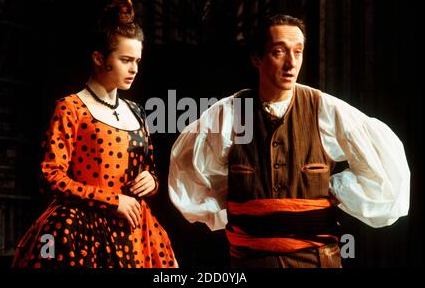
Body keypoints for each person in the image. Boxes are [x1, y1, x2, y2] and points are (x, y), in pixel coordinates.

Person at [168, 14, 410, 268]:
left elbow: (387, 177)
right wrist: (242, 197)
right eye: (279, 51)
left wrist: (336, 189)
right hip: (250, 263)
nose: (291, 63)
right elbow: (188, 178)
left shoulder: (323, 109)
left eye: (298, 51)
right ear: (257, 58)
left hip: (315, 262)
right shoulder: (228, 114)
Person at [12, 0, 178, 268]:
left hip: (135, 232)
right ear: (99, 57)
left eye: (137, 60)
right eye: (126, 59)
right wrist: (112, 201)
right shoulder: (71, 108)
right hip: (80, 230)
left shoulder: (136, 111)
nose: (134, 69)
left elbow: (149, 168)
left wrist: (152, 181)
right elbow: (50, 176)